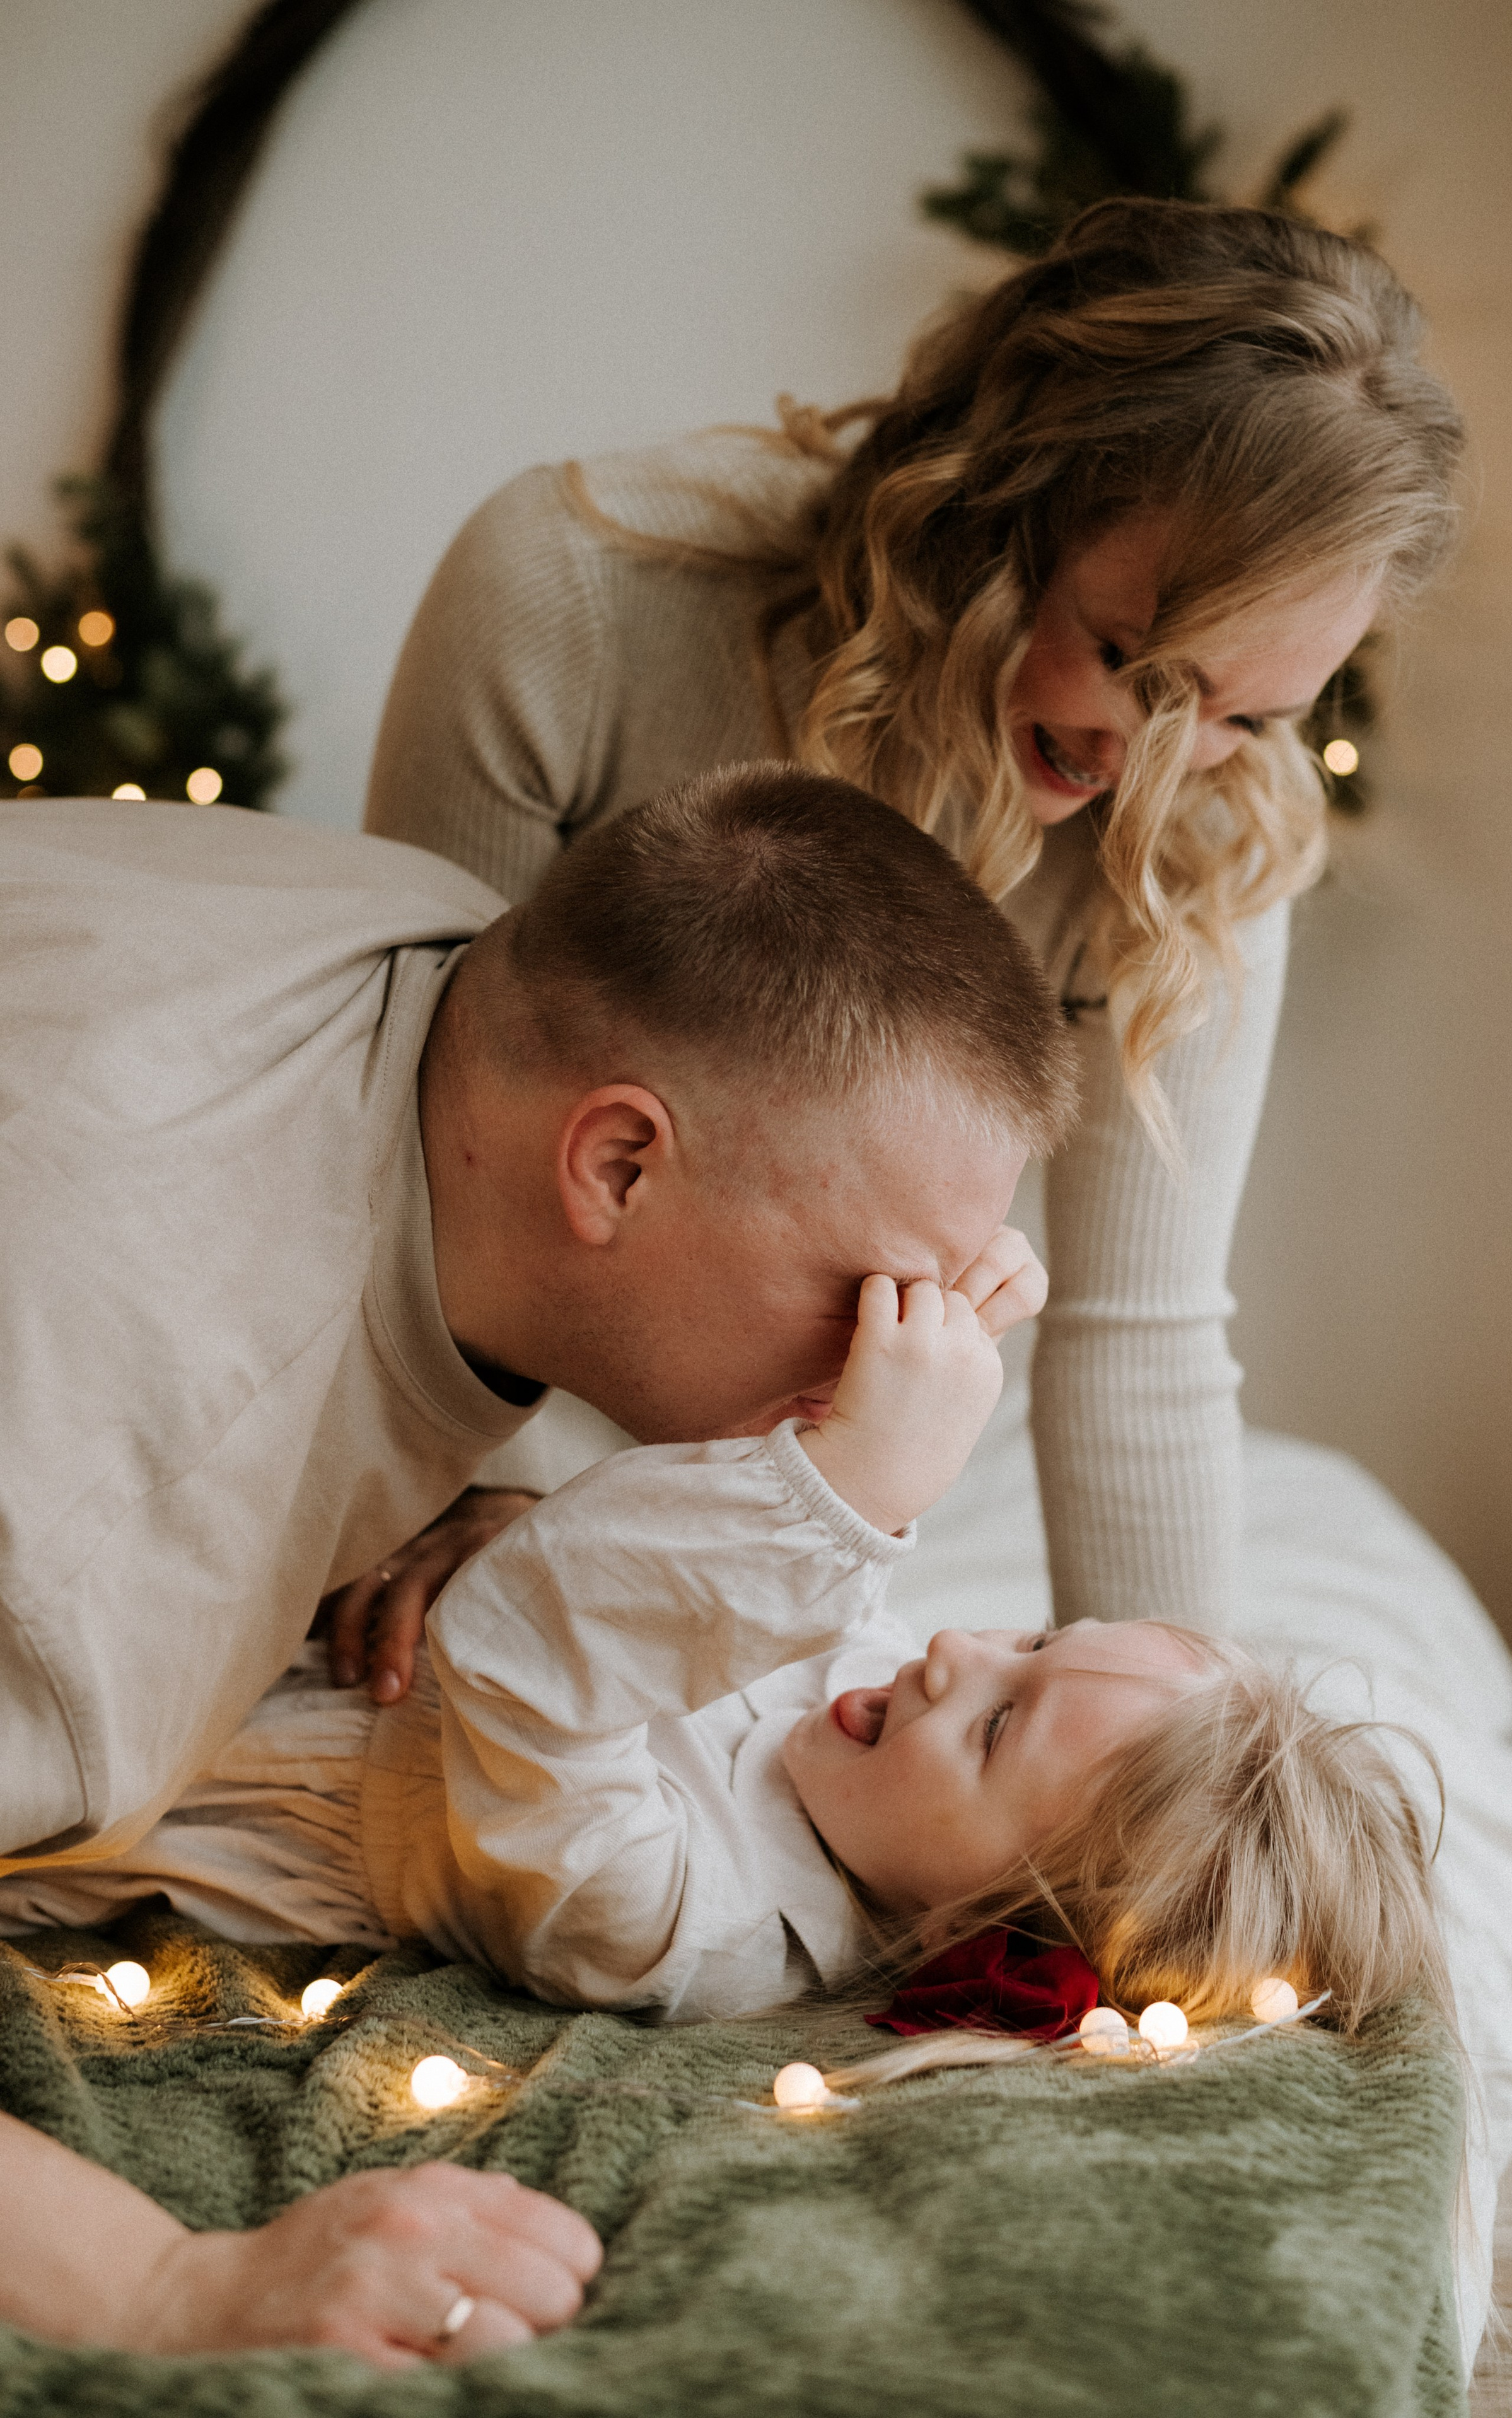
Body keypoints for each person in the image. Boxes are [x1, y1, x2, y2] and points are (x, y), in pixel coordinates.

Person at [0, 760, 1068, 2359]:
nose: (916, 1368)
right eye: (881, 1297)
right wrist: (175, 2289)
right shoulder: (96, 1535)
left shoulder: (409, 927)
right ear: (619, 1166)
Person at [364, 194, 1466, 1643]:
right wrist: (477, 1499)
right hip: (497, 1417)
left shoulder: (1207, 828)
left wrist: (1157, 1738)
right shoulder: (574, 596)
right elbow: (411, 1140)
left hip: (824, 1495)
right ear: (996, 508)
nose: (1150, 766)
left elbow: (1134, 1335)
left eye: (1249, 712)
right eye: (1133, 660)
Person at [1, 1260, 1449, 2054]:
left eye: (1001, 1725)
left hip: (125, 1763)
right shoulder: (867, 1696)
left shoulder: (694, 1931)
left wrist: (852, 1491)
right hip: (234, 1581)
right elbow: (712, 1494)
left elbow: (522, 1648)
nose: (953, 1648)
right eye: (1031, 1636)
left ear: (980, 1936)